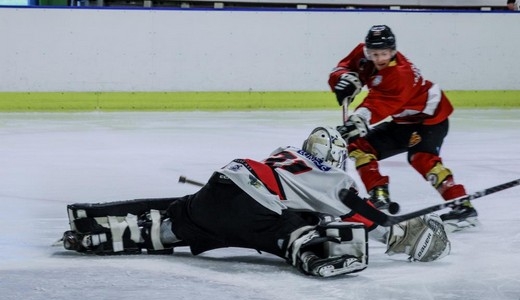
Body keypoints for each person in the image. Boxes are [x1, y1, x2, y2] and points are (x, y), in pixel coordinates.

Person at [61, 127, 450, 278]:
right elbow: (355, 209)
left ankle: (93, 227)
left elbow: (289, 194)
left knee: (174, 220)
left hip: (221, 186)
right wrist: (392, 230)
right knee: (296, 233)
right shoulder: (332, 177)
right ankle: (318, 254)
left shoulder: (285, 154)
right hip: (253, 210)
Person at [328, 25, 478, 233]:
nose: (379, 58)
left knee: (421, 158)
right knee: (359, 147)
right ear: (367, 50)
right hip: (402, 120)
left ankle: (462, 206)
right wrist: (343, 78)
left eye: (385, 54)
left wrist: (358, 120)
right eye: (374, 53)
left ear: (393, 51)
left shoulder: (400, 74)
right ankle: (379, 197)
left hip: (429, 119)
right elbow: (343, 67)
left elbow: (379, 104)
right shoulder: (363, 54)